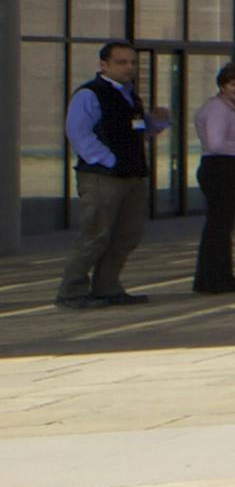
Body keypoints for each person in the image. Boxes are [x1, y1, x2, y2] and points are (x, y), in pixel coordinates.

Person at [56, 38, 156, 308]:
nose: (129, 67)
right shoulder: (91, 94)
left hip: (132, 175)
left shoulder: (130, 96)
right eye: (121, 62)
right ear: (104, 65)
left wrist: (155, 123)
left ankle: (107, 286)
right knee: (95, 234)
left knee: (127, 234)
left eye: (133, 62)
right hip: (102, 177)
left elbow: (135, 131)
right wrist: (108, 161)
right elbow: (78, 132)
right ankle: (71, 292)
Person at [193, 60, 235, 294]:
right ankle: (215, 279)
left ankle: (216, 277)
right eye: (233, 85)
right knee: (219, 227)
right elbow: (216, 144)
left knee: (221, 226)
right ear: (222, 86)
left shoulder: (230, 109)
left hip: (227, 170)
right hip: (220, 170)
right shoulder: (218, 109)